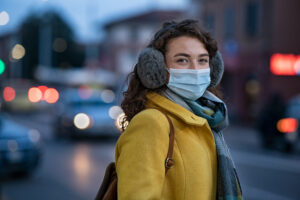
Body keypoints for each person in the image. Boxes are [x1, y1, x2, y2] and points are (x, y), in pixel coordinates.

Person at [115, 19, 242, 200]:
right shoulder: (151, 122)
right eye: (182, 60)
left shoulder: (206, 121)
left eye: (203, 60)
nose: (195, 69)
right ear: (157, 68)